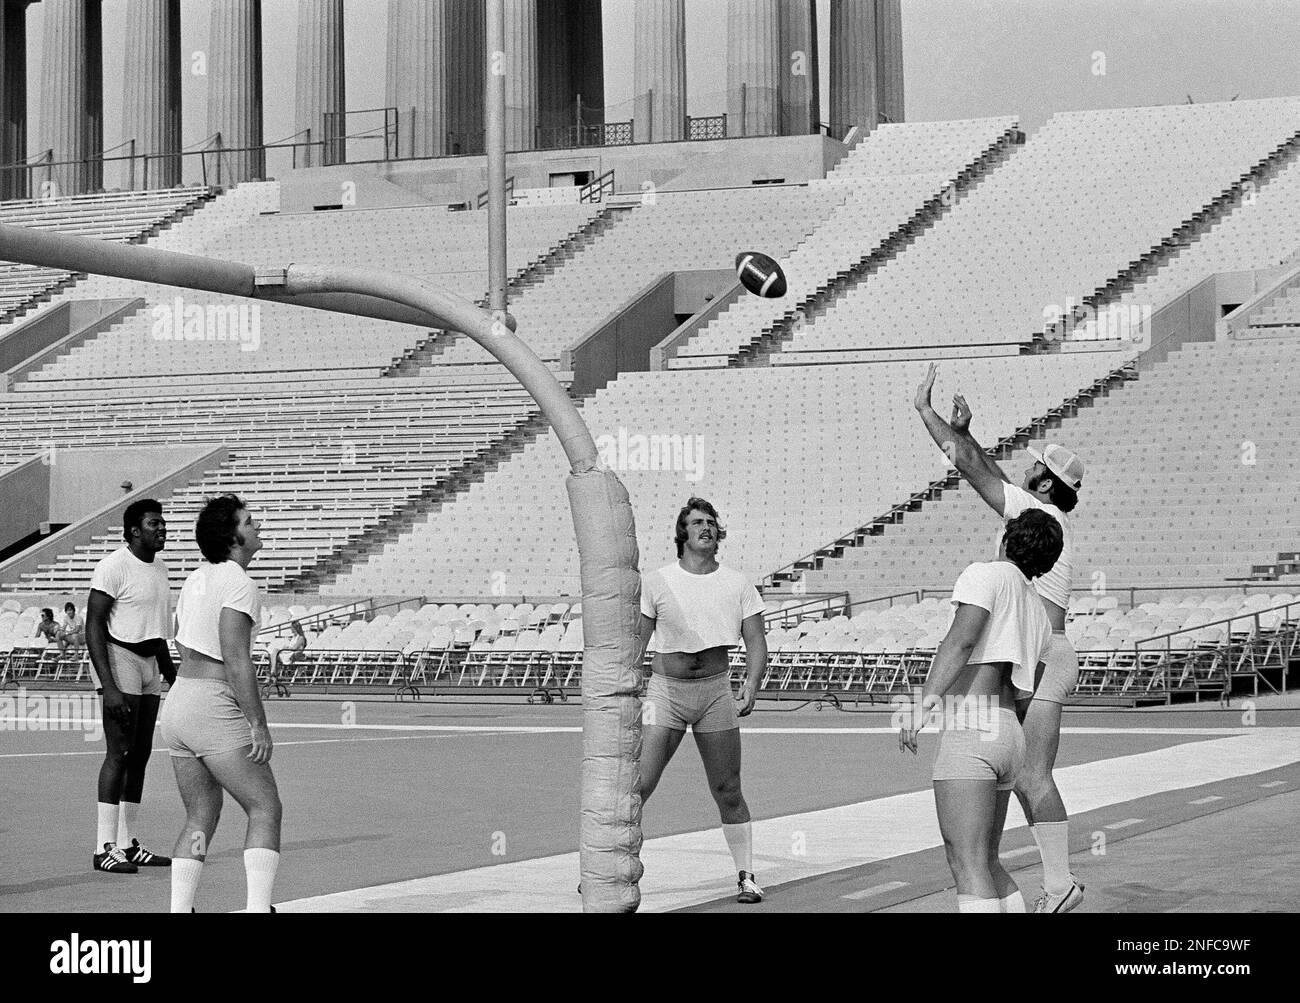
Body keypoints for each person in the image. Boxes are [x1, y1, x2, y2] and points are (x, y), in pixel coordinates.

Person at [915, 362, 1087, 913]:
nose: (1023, 470)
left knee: (1029, 777)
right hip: (1043, 649)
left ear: (1042, 481)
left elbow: (972, 469)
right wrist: (963, 433)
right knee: (1021, 777)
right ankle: (1048, 883)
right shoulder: (1047, 516)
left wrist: (930, 415)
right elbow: (978, 460)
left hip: (1036, 657)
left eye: (1034, 467)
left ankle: (1060, 884)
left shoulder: (1032, 510)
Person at [900, 509, 1063, 913]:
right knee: (988, 861)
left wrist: (924, 704)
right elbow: (1031, 688)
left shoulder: (985, 574)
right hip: (1009, 729)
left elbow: (960, 642)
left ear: (1007, 538)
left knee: (967, 864)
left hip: (972, 725)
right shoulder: (1039, 610)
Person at [636, 497, 768, 904]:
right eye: (696, 522)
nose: (706, 527)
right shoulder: (657, 581)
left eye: (711, 522)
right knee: (639, 784)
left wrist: (752, 681)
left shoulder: (737, 582)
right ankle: (609, 869)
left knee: (728, 788)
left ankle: (746, 876)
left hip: (715, 691)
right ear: (683, 533)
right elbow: (638, 640)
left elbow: (757, 640)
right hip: (665, 691)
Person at [162, 494, 282, 913]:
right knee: (264, 807)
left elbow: (179, 638)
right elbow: (236, 658)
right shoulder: (240, 583)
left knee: (200, 814)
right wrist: (257, 723)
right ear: (233, 536)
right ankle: (258, 909)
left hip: (177, 704)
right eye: (250, 522)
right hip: (212, 704)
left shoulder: (196, 577)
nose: (257, 526)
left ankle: (180, 910)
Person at [87, 500, 177, 875]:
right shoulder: (112, 567)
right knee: (119, 753)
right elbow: (92, 626)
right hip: (117, 657)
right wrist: (108, 686)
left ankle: (127, 843)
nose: (162, 529)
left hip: (149, 662)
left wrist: (176, 678)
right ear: (134, 530)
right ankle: (103, 847)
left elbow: (157, 634)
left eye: (163, 523)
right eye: (154, 523)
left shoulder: (160, 567)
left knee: (140, 755)